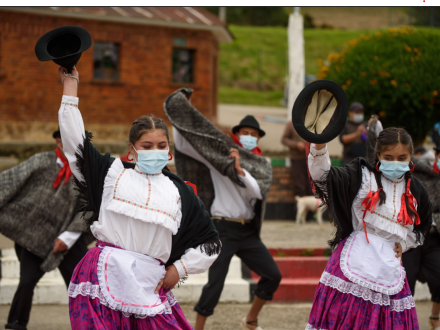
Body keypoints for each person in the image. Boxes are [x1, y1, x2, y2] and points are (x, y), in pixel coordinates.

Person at [57, 66, 221, 329]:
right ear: (132, 150)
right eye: (147, 146)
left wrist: (179, 269)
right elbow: (74, 141)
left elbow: (210, 243)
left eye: (161, 146)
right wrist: (70, 84)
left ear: (169, 152)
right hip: (103, 276)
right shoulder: (111, 173)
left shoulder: (181, 192)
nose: (155, 151)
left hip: (151, 282)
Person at [163, 95, 280, 330]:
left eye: (254, 134)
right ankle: (198, 328)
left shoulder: (261, 164)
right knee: (215, 283)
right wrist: (180, 117)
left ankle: (251, 320)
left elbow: (258, 193)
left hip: (247, 231)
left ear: (258, 138)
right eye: (245, 133)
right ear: (237, 135)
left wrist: (239, 171)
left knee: (273, 275)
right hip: (222, 229)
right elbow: (187, 144)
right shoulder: (220, 158)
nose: (249, 137)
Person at [304, 127, 433, 329]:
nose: (396, 162)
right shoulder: (363, 175)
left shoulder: (417, 191)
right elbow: (324, 177)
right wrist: (319, 144)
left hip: (390, 268)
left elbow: (424, 225)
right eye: (389, 157)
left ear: (411, 156)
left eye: (402, 157)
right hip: (354, 261)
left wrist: (406, 243)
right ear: (378, 155)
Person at [0, 129, 91, 330]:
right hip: (34, 236)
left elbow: (91, 207)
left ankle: (89, 324)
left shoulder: (88, 171)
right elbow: (7, 183)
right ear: (58, 140)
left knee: (81, 284)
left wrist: (68, 237)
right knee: (27, 281)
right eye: (65, 139)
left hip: (71, 236)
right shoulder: (40, 161)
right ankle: (16, 323)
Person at [281, 120, 313, 197]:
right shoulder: (291, 124)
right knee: (300, 187)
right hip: (297, 158)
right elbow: (284, 139)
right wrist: (296, 145)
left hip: (312, 159)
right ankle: (300, 208)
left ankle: (311, 208)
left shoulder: (313, 122)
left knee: (311, 187)